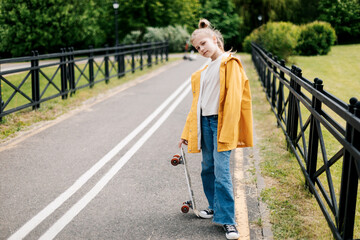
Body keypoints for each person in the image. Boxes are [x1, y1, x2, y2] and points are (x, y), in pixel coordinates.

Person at [178, 19, 253, 240]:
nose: (201, 49)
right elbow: (196, 106)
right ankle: (214, 207)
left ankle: (229, 220)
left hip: (222, 124)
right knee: (207, 168)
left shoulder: (230, 63)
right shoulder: (202, 71)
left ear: (214, 39)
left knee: (222, 173)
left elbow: (234, 100)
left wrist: (228, 129)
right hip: (205, 124)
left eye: (203, 44)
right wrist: (185, 133)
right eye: (197, 47)